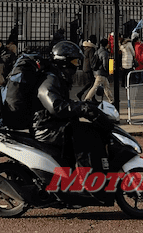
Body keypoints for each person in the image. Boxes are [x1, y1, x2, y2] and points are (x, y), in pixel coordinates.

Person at [32, 41, 112, 171]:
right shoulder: (49, 79)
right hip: (47, 127)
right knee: (87, 136)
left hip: (54, 123)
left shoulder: (57, 77)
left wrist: (85, 105)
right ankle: (88, 179)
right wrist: (83, 109)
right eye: (75, 62)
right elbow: (56, 106)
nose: (77, 65)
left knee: (92, 130)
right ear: (64, 61)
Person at [83, 38, 114, 103]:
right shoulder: (104, 53)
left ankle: (111, 99)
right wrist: (109, 70)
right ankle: (87, 99)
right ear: (106, 45)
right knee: (95, 87)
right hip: (101, 72)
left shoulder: (98, 51)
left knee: (106, 86)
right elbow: (105, 64)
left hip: (96, 71)